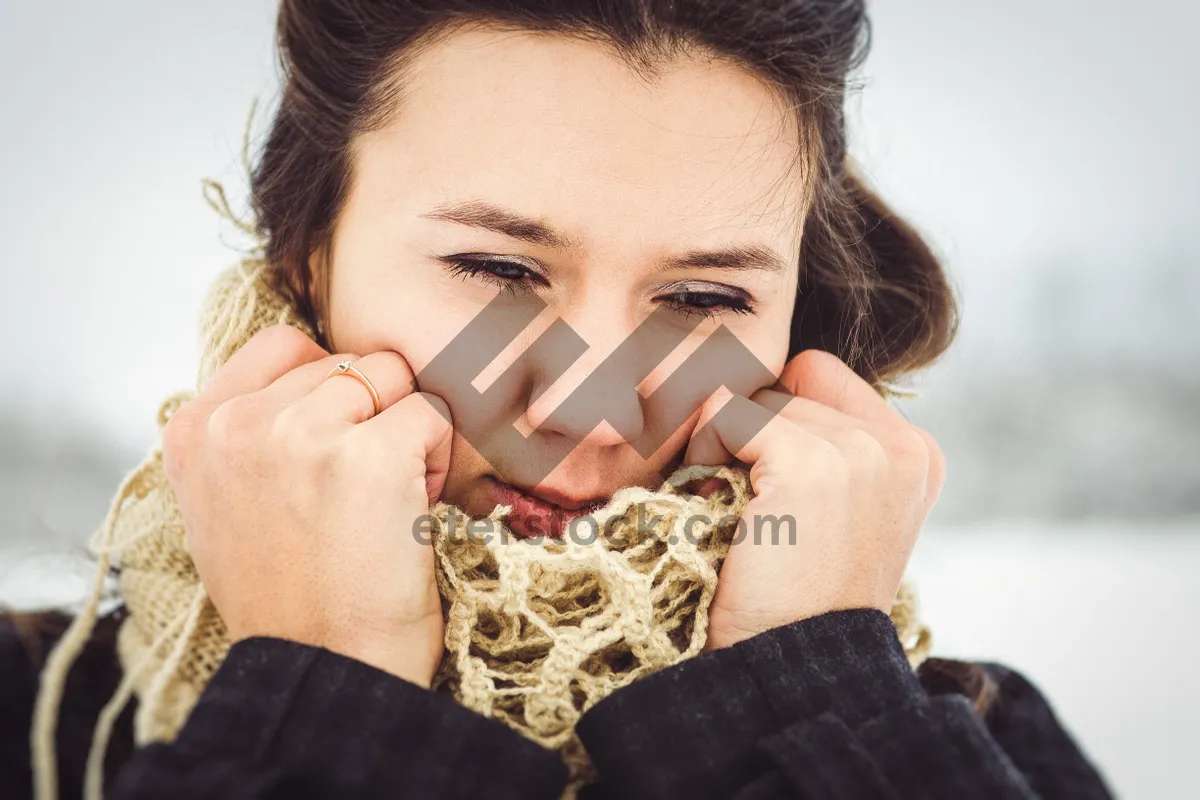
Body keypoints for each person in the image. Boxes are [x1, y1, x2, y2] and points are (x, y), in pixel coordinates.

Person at [2, 1, 1114, 797]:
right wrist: (326, 692)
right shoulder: (29, 718)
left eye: (700, 295)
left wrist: (814, 711)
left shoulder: (967, 739)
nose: (591, 409)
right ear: (309, 257)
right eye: (497, 271)